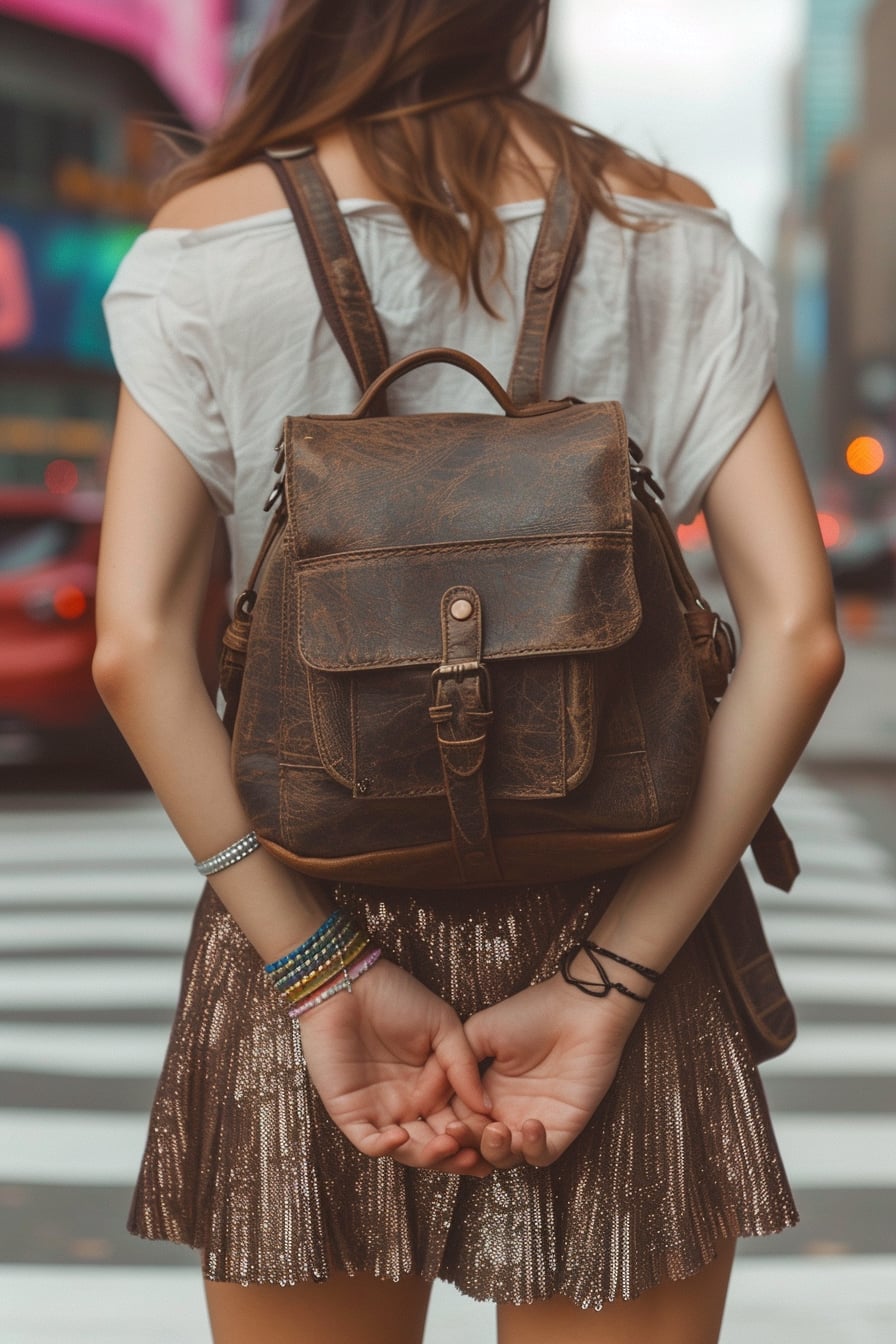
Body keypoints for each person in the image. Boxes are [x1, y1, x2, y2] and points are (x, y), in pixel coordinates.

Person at [96, 2, 844, 1340]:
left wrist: (321, 969)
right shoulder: (665, 232)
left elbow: (136, 649)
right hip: (623, 913)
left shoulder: (203, 244)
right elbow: (796, 636)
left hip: (310, 920)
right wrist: (609, 982)